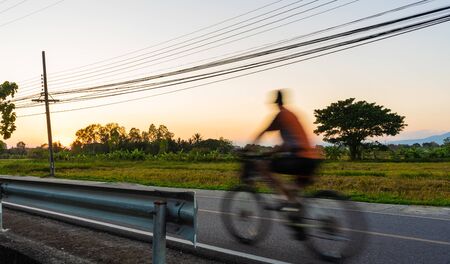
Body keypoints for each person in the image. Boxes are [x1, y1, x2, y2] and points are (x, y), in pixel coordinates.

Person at [252, 90, 321, 202]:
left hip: (300, 158)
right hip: (312, 160)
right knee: (295, 190)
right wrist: (271, 152)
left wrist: (249, 148)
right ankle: (294, 208)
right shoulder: (292, 115)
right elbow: (288, 144)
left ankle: (281, 195)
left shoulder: (281, 115)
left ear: (275, 103)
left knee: (263, 166)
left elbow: (263, 132)